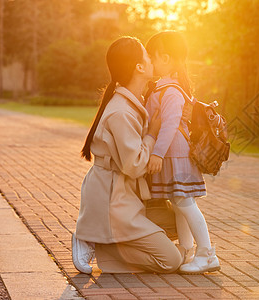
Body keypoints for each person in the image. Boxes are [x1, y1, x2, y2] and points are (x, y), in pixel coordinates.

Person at [72, 36, 182, 274]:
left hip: (129, 196)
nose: (152, 59)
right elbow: (134, 165)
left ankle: (105, 238)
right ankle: (95, 237)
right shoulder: (121, 111)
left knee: (182, 221)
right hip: (113, 202)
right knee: (171, 260)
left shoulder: (135, 102)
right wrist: (152, 134)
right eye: (147, 55)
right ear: (139, 67)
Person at [145, 31, 220, 274]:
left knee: (185, 203)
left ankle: (207, 253)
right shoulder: (165, 88)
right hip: (173, 156)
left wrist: (156, 153)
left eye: (152, 57)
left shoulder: (172, 91)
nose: (150, 62)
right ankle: (187, 250)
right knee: (179, 204)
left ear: (165, 58)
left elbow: (169, 124)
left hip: (176, 156)